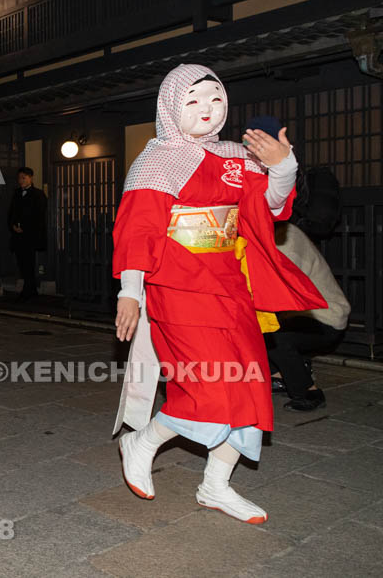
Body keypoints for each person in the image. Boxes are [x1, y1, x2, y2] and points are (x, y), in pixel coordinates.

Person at [112, 64, 324, 524]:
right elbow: (138, 228)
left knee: (250, 387)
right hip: (177, 283)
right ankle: (142, 440)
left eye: (215, 98)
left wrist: (283, 165)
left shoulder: (235, 156)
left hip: (230, 283)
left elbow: (267, 205)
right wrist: (129, 290)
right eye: (193, 101)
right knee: (206, 386)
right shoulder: (156, 159)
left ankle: (216, 486)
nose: (207, 108)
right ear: (170, 109)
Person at [267, 221, 350, 411]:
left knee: (274, 336)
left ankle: (309, 392)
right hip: (296, 316)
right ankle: (280, 377)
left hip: (325, 318)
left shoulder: (287, 239)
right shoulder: (265, 236)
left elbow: (281, 290)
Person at [8, 167, 47, 302]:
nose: (21, 180)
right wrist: (13, 225)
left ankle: (28, 290)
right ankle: (31, 290)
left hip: (31, 235)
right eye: (19, 178)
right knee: (21, 263)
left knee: (29, 262)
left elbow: (40, 216)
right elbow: (11, 212)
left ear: (31, 178)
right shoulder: (16, 193)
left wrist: (25, 227)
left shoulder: (38, 194)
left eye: (24, 177)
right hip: (18, 235)